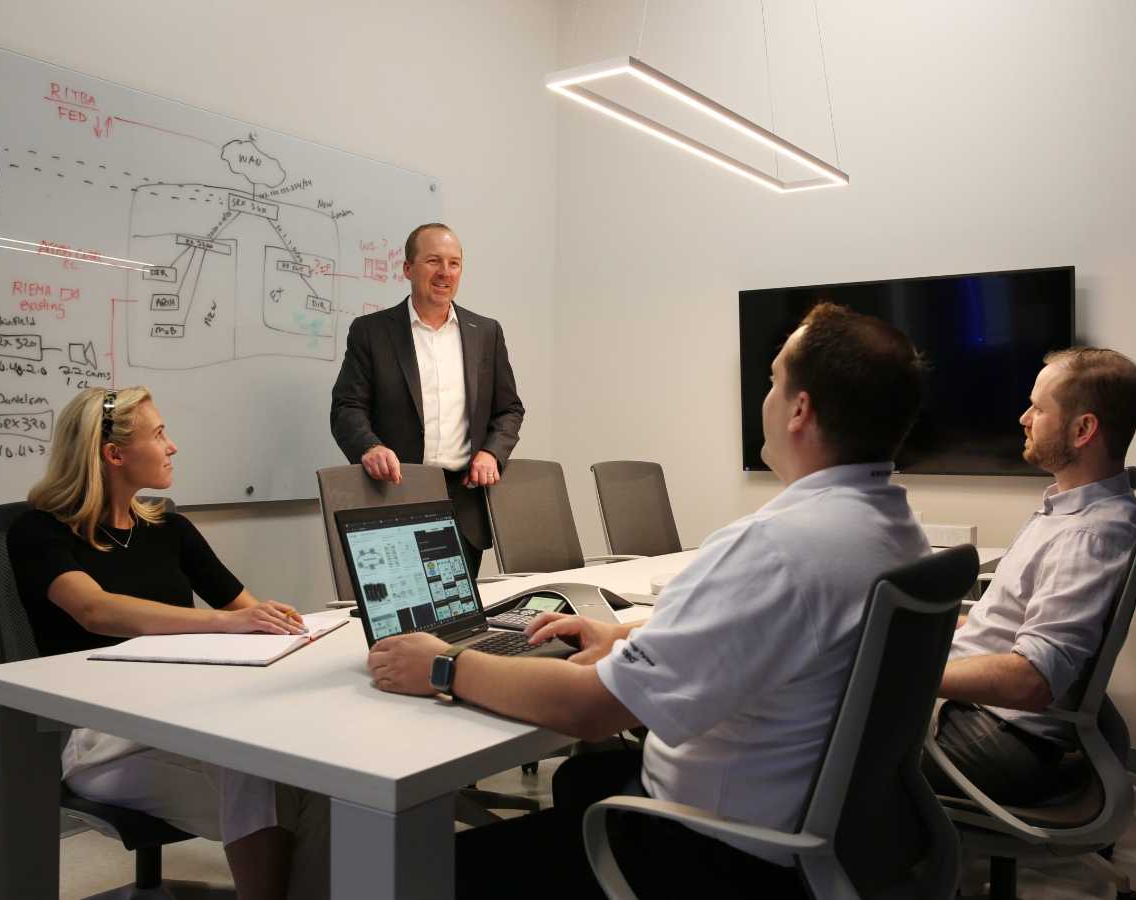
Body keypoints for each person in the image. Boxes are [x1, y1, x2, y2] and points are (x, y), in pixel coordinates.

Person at [366, 302, 930, 899]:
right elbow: (786, 643)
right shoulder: (897, 532)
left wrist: (443, 663)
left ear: (799, 410)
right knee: (587, 775)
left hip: (717, 857)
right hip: (832, 840)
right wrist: (628, 639)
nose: (764, 397)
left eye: (772, 381)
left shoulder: (776, 546)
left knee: (423, 875)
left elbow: (593, 710)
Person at [7, 387, 327, 900]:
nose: (172, 446)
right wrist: (224, 625)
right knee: (258, 773)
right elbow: (95, 610)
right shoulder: (38, 532)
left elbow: (248, 609)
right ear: (114, 455)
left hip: (187, 717)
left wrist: (300, 629)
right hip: (100, 737)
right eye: (159, 435)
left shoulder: (169, 527)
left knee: (315, 778)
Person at [926, 348, 1136, 805]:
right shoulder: (1072, 509)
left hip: (999, 735)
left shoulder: (1086, 535)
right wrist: (928, 628)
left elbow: (1030, 679)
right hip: (996, 721)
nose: (1025, 418)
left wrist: (911, 675)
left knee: (836, 748)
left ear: (1083, 429)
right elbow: (1009, 623)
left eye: (1039, 408)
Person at [330, 223, 525, 576]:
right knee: (398, 619)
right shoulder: (371, 332)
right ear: (408, 268)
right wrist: (369, 446)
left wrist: (491, 452)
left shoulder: (486, 333)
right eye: (433, 261)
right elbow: (347, 407)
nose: (444, 273)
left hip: (463, 504)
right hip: (393, 495)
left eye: (454, 263)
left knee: (457, 620)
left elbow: (509, 409)